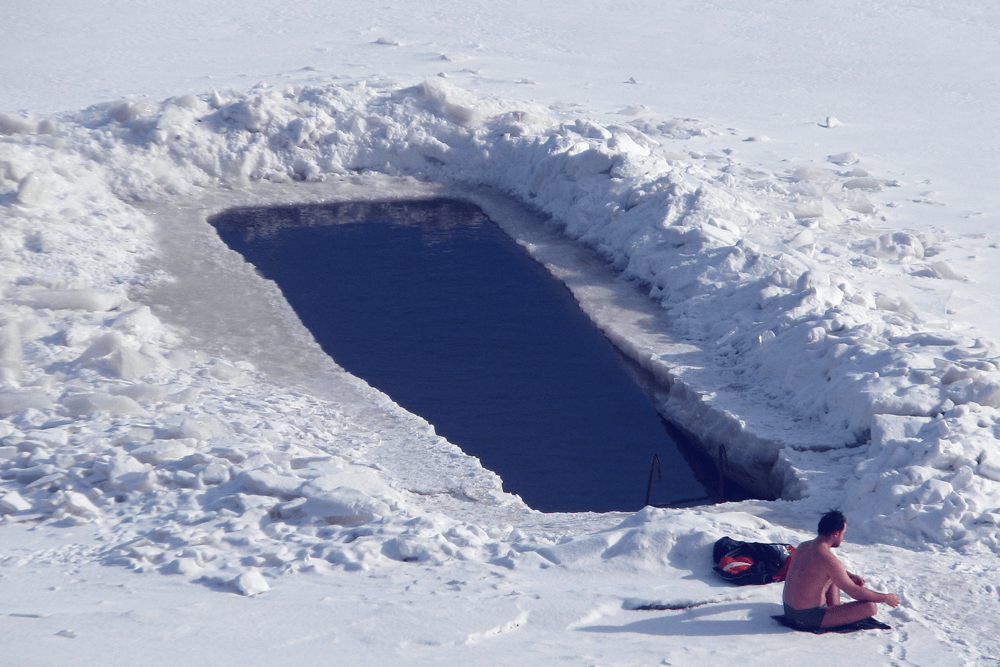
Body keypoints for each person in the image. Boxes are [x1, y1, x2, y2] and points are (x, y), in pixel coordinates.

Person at [781, 510, 900, 629]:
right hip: (808, 618)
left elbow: (815, 569)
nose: (842, 538)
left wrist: (849, 576)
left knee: (833, 578)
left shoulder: (803, 546)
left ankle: (834, 609)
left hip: (789, 612)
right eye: (843, 533)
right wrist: (886, 598)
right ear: (835, 533)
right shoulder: (828, 559)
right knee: (870, 607)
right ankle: (834, 614)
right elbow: (854, 592)